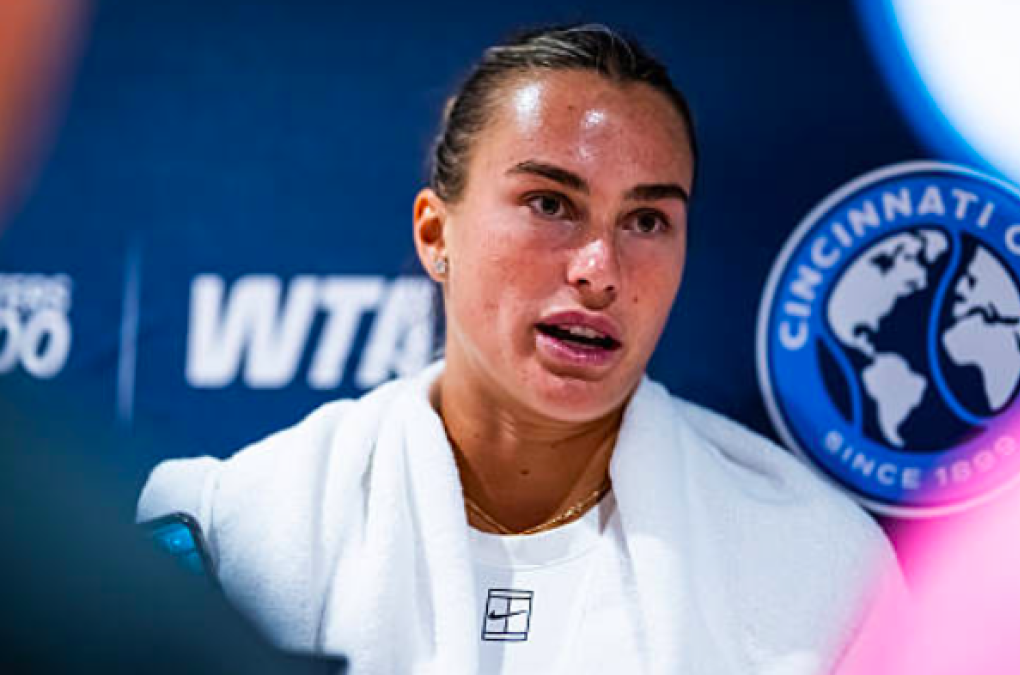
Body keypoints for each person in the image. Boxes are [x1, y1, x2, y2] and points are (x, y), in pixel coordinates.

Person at [139, 23, 901, 675]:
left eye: (646, 221)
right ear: (436, 234)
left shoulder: (819, 572)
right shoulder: (232, 534)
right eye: (550, 203)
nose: (600, 269)